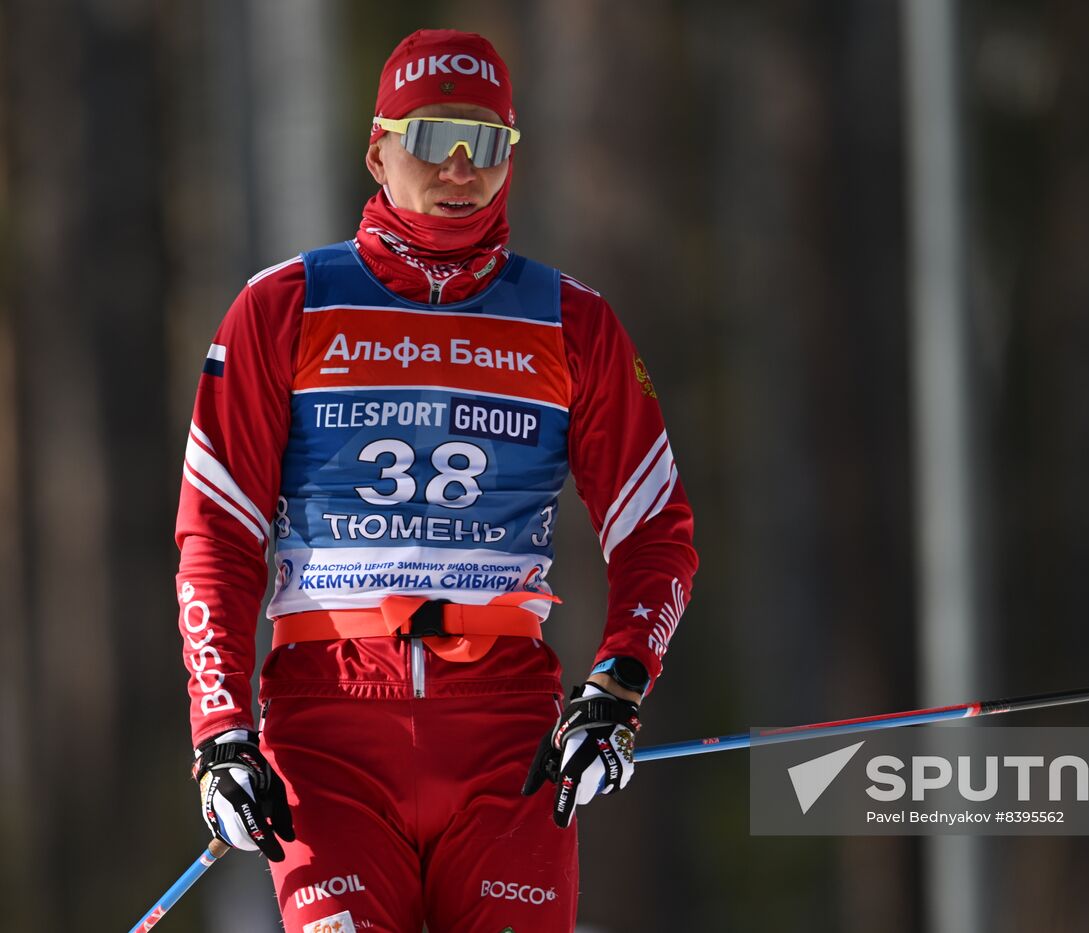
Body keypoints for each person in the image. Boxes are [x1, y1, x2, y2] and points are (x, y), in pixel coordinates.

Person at [175, 28, 697, 932]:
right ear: (377, 148)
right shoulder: (283, 305)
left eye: (486, 142)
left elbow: (656, 531)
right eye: (431, 138)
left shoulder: (573, 321)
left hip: (505, 733)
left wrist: (617, 690)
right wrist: (222, 732)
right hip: (329, 725)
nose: (460, 166)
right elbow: (216, 531)